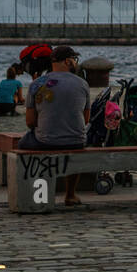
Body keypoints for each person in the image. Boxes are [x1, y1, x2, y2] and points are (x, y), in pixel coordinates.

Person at [21, 46, 90, 206]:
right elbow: (85, 120)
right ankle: (70, 194)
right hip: (76, 141)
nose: (75, 63)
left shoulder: (37, 84)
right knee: (75, 142)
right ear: (67, 61)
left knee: (24, 143)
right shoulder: (82, 84)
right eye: (74, 60)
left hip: (46, 141)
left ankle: (41, 194)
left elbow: (30, 122)